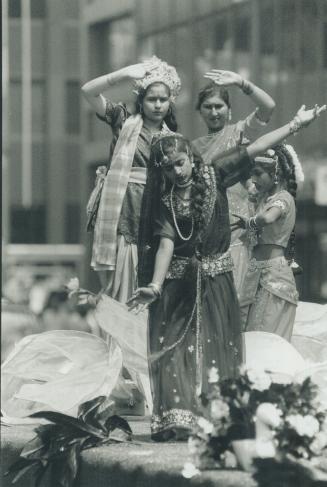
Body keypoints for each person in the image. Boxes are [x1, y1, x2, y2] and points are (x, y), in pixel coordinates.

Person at [128, 103, 326, 441]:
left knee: (216, 346)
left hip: (216, 279)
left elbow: (257, 147)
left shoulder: (215, 173)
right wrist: (156, 286)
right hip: (178, 284)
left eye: (180, 163)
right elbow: (165, 244)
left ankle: (216, 417)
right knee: (176, 347)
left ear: (191, 157)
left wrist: (296, 124)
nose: (177, 172)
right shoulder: (166, 199)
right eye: (169, 169)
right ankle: (179, 419)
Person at [81, 56, 181, 301]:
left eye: (163, 99)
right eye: (151, 99)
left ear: (171, 102)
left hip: (156, 213)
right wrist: (124, 74)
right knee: (118, 287)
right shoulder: (123, 120)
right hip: (122, 210)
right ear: (141, 100)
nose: (157, 105)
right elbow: (88, 91)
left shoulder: (174, 140)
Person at [192, 70, 276, 294]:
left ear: (229, 111)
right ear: (200, 112)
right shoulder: (193, 148)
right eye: (207, 107)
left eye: (219, 106)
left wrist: (241, 82)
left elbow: (268, 107)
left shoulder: (239, 133)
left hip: (238, 234)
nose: (213, 111)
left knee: (238, 301)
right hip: (207, 238)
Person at [232, 143, 306, 341]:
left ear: (276, 173)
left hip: (274, 278)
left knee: (267, 339)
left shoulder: (284, 198)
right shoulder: (263, 199)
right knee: (249, 336)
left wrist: (249, 222)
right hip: (255, 274)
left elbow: (268, 219)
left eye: (258, 173)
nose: (254, 179)